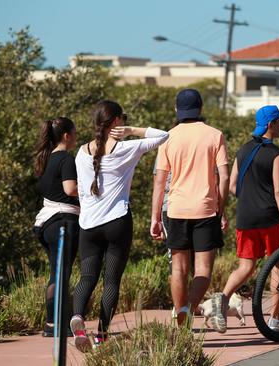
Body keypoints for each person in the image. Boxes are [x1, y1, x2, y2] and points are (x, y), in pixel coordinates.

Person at [70, 100, 169, 352]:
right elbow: (163, 136)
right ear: (115, 121)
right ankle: (101, 335)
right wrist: (131, 131)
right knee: (112, 281)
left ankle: (78, 317)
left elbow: (81, 190)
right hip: (117, 222)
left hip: (88, 225)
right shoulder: (127, 148)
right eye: (122, 118)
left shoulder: (81, 153)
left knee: (87, 277)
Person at [150, 88, 229, 327]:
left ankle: (180, 310)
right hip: (206, 208)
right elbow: (224, 177)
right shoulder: (215, 135)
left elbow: (160, 181)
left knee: (178, 268)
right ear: (201, 108)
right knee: (203, 269)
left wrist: (154, 217)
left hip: (176, 209)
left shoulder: (168, 137)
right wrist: (221, 208)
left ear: (177, 109)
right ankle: (190, 309)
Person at [211, 105, 279, 333]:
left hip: (245, 216)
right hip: (269, 217)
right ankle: (274, 319)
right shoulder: (277, 154)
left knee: (246, 266)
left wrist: (249, 198)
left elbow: (234, 185)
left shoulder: (243, 150)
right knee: (278, 266)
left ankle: (223, 299)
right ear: (271, 125)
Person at [33, 117, 80, 338]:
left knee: (56, 274)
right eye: (75, 133)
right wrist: (94, 191)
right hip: (64, 222)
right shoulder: (66, 159)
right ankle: (54, 324)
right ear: (66, 136)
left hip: (47, 223)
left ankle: (52, 323)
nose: (77, 137)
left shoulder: (45, 159)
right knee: (61, 275)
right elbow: (70, 189)